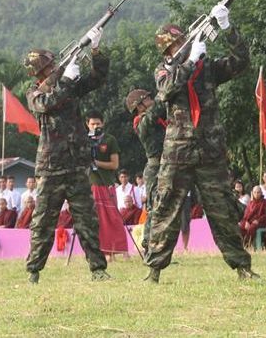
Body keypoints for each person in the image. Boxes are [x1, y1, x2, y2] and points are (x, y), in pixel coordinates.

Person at [144, 4, 258, 283]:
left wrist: (228, 28)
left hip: (210, 150)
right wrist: (190, 61)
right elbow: (167, 89)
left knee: (222, 209)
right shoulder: (163, 70)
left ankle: (242, 266)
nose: (184, 46)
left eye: (184, 41)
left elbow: (241, 61)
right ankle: (154, 269)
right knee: (166, 208)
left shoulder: (206, 68)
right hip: (177, 152)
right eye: (178, 44)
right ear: (169, 52)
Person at [23, 27, 111, 284]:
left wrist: (96, 50)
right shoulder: (34, 92)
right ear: (40, 72)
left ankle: (98, 269)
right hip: (51, 166)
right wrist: (65, 81)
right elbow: (46, 104)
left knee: (87, 220)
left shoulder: (67, 85)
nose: (55, 67)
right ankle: (33, 271)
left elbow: (97, 79)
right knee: (43, 222)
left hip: (76, 164)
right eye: (50, 66)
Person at [125, 88, 167, 255]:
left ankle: (158, 247)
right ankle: (148, 245)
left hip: (166, 165)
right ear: (139, 106)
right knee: (154, 208)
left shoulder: (154, 118)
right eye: (148, 99)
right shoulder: (141, 121)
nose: (151, 101)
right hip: (155, 168)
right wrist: (165, 89)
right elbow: (156, 109)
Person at [87, 111, 120, 186]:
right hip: (87, 184)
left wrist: (95, 163)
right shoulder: (83, 139)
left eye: (98, 124)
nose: (95, 126)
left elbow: (115, 164)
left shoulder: (109, 139)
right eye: (92, 124)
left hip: (105, 182)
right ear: (87, 124)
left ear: (102, 124)